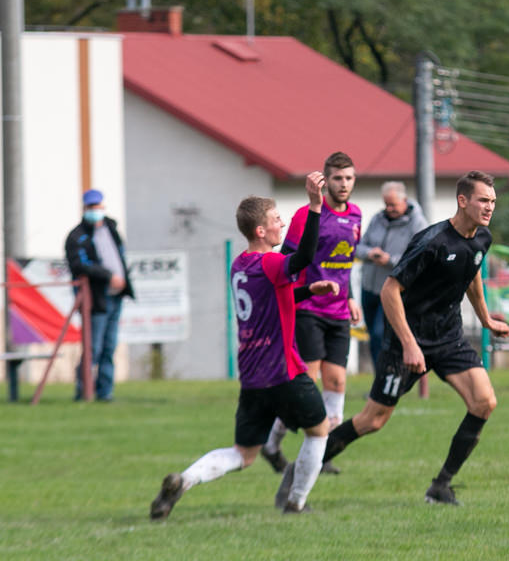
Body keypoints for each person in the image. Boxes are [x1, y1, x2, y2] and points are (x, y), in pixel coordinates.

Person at [312, 170, 509, 506]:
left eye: (492, 201)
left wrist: (486, 318)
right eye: (483, 200)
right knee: (373, 420)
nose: (489, 206)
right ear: (463, 201)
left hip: (448, 338)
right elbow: (391, 291)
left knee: (484, 402)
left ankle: (441, 486)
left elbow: (472, 273)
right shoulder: (432, 241)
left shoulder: (482, 238)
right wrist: (408, 343)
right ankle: (306, 467)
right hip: (406, 340)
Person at [149, 173, 335, 519]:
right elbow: (304, 256)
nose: (281, 223)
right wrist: (314, 205)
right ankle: (295, 503)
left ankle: (185, 480)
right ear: (260, 231)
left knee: (244, 454)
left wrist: (309, 291)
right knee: (319, 430)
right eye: (276, 220)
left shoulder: (241, 264)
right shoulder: (272, 263)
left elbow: (272, 300)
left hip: (252, 375)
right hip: (284, 370)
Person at [260, 151, 362, 475]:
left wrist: (351, 297)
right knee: (308, 381)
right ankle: (272, 443)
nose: (343, 184)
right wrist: (286, 299)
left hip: (339, 312)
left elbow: (347, 264)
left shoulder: (357, 214)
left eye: (348, 178)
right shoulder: (307, 215)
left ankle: (325, 451)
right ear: (325, 180)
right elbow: (288, 259)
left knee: (337, 381)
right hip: (307, 308)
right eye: (337, 178)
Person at [64, 189, 135, 402]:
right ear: (85, 208)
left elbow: (120, 255)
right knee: (93, 347)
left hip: (116, 296)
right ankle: (83, 391)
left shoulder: (111, 228)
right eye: (92, 207)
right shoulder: (77, 236)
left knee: (109, 346)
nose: (96, 210)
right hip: (96, 297)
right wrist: (108, 276)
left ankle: (105, 393)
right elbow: (79, 264)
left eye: (98, 206)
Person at [356, 181, 428, 365]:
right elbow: (360, 247)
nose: (389, 208)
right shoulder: (377, 219)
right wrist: (370, 254)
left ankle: (389, 374)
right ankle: (378, 379)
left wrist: (390, 260)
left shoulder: (418, 223)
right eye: (386, 204)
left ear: (404, 200)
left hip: (393, 290)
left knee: (382, 334)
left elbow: (418, 257)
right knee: (373, 335)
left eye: (393, 204)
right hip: (369, 287)